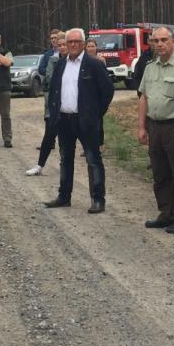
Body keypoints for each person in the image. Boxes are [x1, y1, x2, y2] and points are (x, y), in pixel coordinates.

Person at [44, 28, 114, 213]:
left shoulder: (94, 64)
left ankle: (98, 199)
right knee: (65, 158)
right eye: (70, 42)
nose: (73, 45)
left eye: (76, 41)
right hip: (64, 120)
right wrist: (54, 112)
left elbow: (107, 91)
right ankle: (64, 196)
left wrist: (96, 113)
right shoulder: (60, 65)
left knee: (93, 160)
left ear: (83, 44)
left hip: (86, 121)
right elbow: (53, 91)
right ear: (65, 45)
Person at [137, 26, 174, 234]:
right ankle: (166, 213)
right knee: (160, 174)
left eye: (163, 40)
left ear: (173, 42)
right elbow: (144, 97)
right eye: (155, 41)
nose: (159, 44)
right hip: (155, 126)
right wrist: (142, 126)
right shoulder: (150, 67)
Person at [27, 29, 63, 175]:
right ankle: (39, 166)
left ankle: (66, 166)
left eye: (63, 44)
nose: (61, 46)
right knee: (49, 136)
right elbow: (47, 80)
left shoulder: (78, 61)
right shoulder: (51, 59)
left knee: (68, 141)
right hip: (54, 106)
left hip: (71, 109)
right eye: (59, 44)